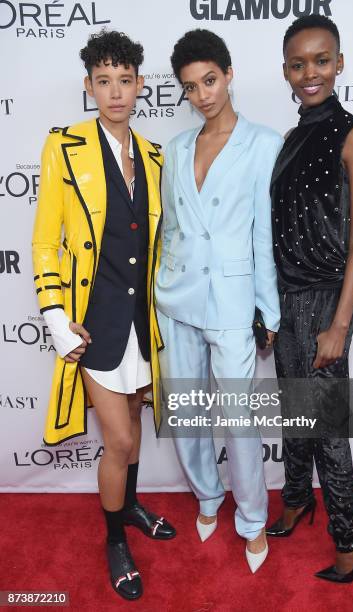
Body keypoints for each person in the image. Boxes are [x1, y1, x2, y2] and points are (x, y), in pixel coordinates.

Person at [32, 30, 175, 601]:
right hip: (93, 322)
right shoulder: (63, 145)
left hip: (144, 322)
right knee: (117, 439)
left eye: (125, 80)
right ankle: (114, 537)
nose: (115, 92)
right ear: (89, 87)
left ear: (140, 85)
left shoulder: (156, 156)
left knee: (135, 426)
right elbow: (46, 241)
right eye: (104, 81)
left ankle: (132, 503)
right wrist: (52, 314)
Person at [155, 29, 282, 573]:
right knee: (186, 413)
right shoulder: (176, 149)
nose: (202, 94)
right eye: (190, 87)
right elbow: (172, 229)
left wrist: (268, 309)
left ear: (228, 75)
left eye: (209, 80)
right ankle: (207, 495)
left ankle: (252, 518)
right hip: (176, 296)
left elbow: (263, 236)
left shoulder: (264, 143)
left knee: (237, 418)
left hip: (232, 302)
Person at [266, 15, 353, 583]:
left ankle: (352, 535)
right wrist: (270, 307)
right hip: (285, 300)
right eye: (298, 63)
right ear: (286, 69)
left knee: (329, 430)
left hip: (326, 298)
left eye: (321, 60)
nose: (310, 73)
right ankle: (294, 498)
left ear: (339, 63)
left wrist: (338, 324)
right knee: (295, 416)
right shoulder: (289, 139)